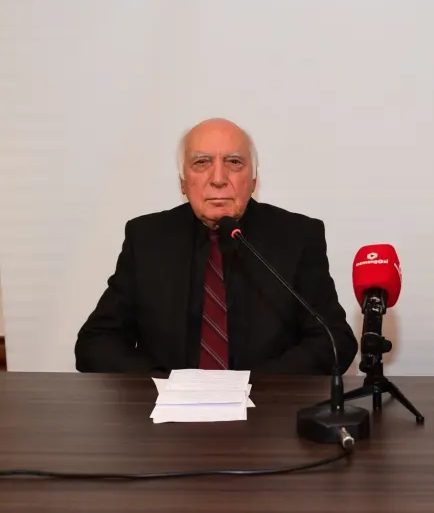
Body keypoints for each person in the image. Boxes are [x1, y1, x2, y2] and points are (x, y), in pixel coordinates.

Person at [75, 118, 357, 374]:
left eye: (234, 162)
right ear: (183, 182)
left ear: (254, 180)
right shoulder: (147, 238)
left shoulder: (297, 236)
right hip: (167, 408)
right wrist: (166, 385)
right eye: (201, 162)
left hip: (266, 407)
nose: (219, 179)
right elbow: (96, 342)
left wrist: (256, 387)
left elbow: (334, 341)